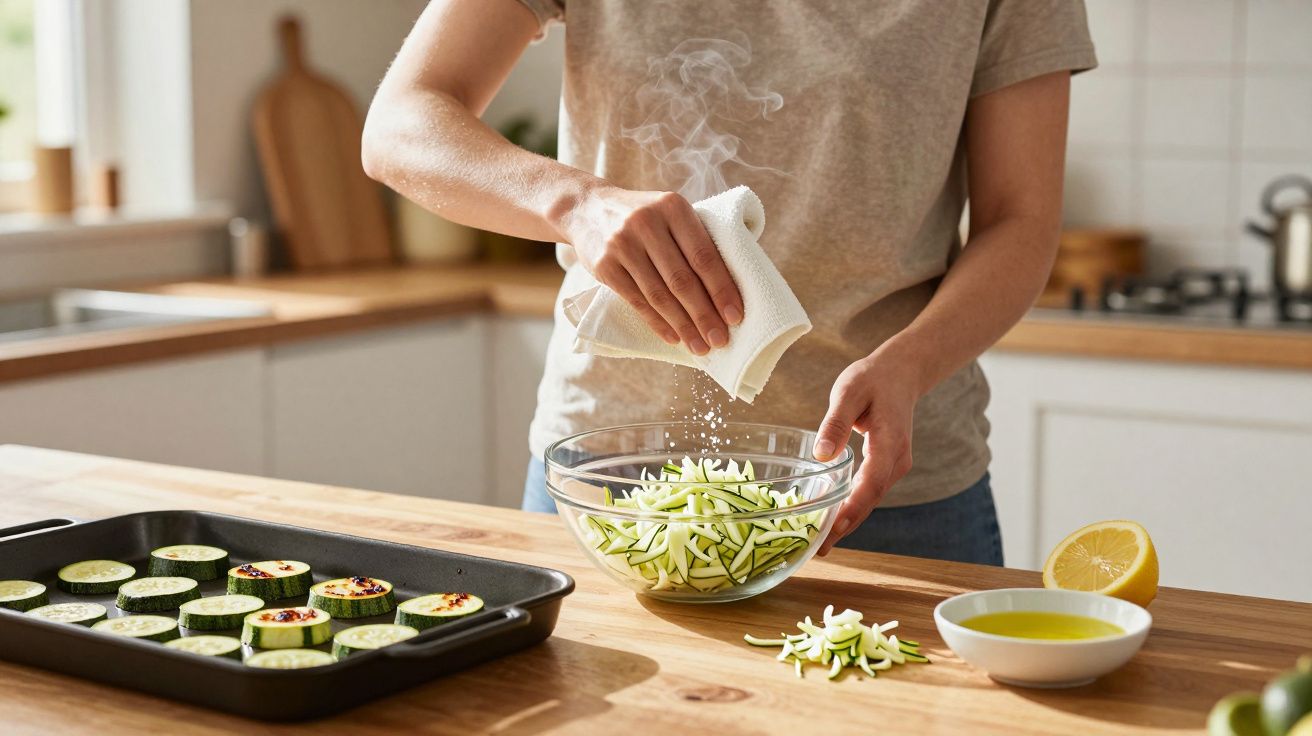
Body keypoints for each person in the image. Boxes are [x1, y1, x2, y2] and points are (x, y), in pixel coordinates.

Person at [363, 0, 1097, 565]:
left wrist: (913, 363)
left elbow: (1020, 219)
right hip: (612, 478)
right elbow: (401, 122)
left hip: (885, 488)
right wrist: (576, 203)